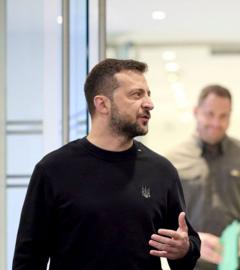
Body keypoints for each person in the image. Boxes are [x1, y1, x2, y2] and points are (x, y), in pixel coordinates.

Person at [12, 58, 200, 270]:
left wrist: (185, 249)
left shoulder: (161, 171)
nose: (149, 103)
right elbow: (28, 259)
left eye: (148, 94)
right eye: (136, 95)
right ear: (102, 104)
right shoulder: (54, 169)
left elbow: (187, 248)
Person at [166, 85, 240, 270]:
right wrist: (192, 239)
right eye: (210, 114)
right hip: (191, 263)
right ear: (196, 112)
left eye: (224, 116)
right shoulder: (172, 161)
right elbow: (161, 217)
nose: (216, 123)